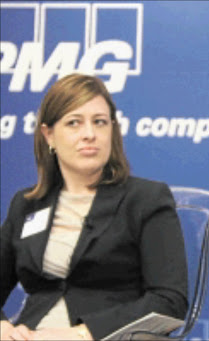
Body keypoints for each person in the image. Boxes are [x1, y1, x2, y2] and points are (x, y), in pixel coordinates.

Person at [0, 74, 188, 340]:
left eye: (99, 122)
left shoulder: (146, 199)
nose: (89, 134)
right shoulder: (26, 205)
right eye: (74, 123)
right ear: (49, 135)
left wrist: (81, 334)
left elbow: (169, 303)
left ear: (112, 129)